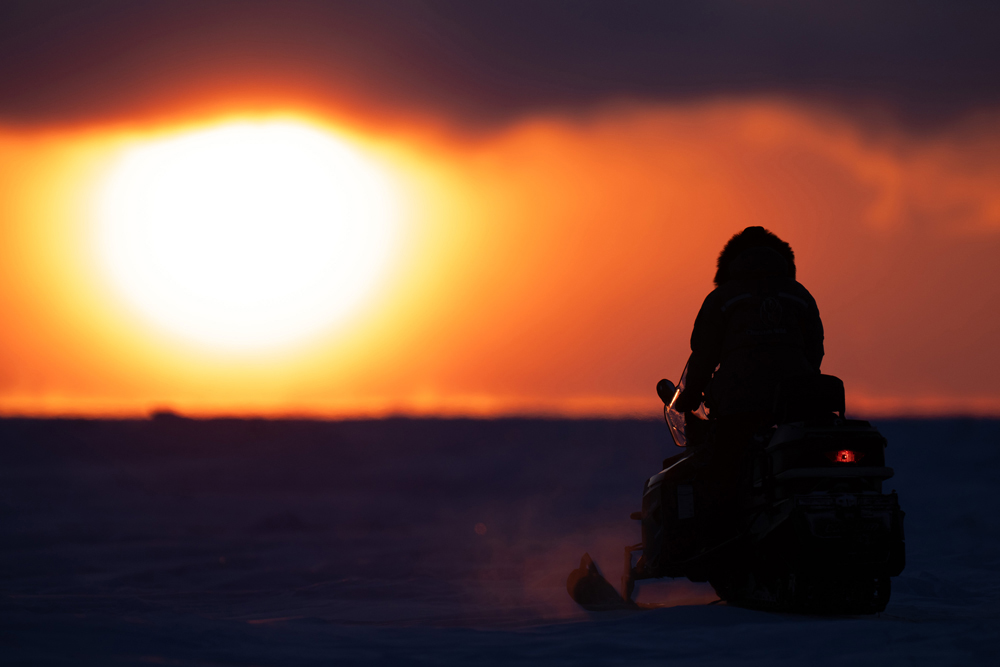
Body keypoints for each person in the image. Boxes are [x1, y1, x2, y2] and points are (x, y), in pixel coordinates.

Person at [672, 226, 824, 542]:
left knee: (719, 473)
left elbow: (703, 354)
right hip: (799, 405)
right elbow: (815, 348)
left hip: (740, 405)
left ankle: (721, 546)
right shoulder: (799, 296)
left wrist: (690, 395)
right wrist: (803, 382)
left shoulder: (723, 298)